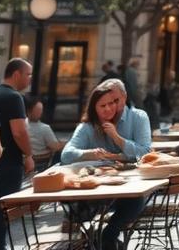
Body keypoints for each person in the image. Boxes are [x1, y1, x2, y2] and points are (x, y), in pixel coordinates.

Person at [61, 80, 151, 248]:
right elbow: (66, 154)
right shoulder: (87, 127)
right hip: (97, 189)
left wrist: (117, 138)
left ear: (124, 98)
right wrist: (89, 153)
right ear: (94, 107)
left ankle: (107, 236)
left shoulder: (138, 117)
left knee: (136, 200)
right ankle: (91, 239)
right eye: (104, 105)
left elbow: (145, 152)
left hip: (127, 186)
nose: (111, 108)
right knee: (79, 209)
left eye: (114, 102)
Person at [0, 59, 34, 250]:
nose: (30, 79)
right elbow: (19, 132)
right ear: (17, 74)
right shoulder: (14, 97)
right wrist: (28, 155)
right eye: (28, 74)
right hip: (9, 163)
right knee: (2, 214)